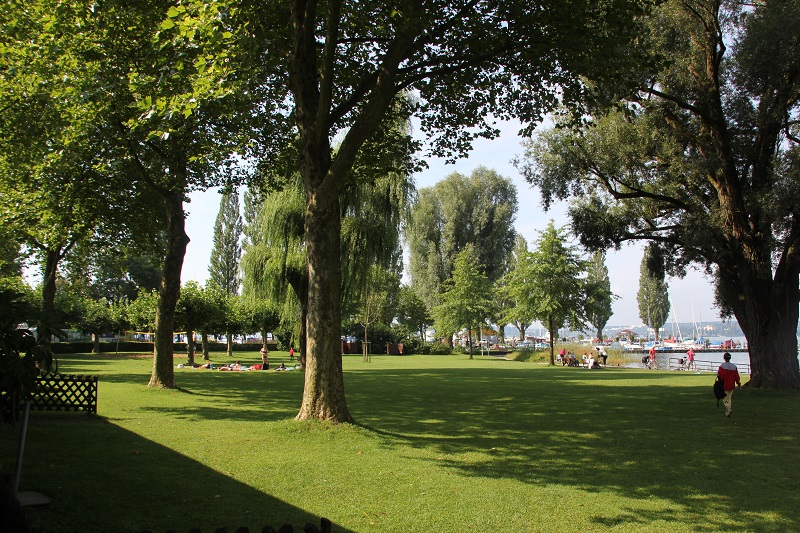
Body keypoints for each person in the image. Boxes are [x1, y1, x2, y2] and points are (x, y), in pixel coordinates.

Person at [717, 352, 741, 418]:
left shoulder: (722, 366)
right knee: (729, 398)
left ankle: (728, 409)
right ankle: (727, 413)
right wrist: (738, 383)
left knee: (724, 398)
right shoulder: (734, 367)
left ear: (724, 358)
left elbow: (720, 376)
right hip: (731, 385)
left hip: (725, 384)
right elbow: (737, 376)